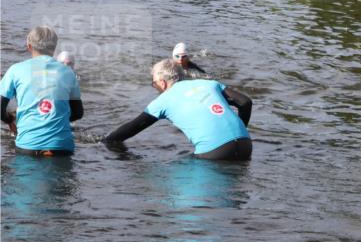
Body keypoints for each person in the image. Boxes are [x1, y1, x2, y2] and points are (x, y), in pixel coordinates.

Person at [104, 60, 252, 160]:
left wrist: (105, 141)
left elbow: (131, 128)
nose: (154, 87)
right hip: (246, 145)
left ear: (162, 83)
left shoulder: (163, 100)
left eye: (153, 83)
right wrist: (241, 130)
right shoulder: (209, 84)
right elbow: (245, 102)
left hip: (215, 153)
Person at [0, 26, 84, 156]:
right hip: (61, 147)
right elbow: (78, 113)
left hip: (27, 146)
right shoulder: (68, 72)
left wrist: (9, 119)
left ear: (29, 46)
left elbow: (0, 107)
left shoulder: (15, 70)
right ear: (54, 48)